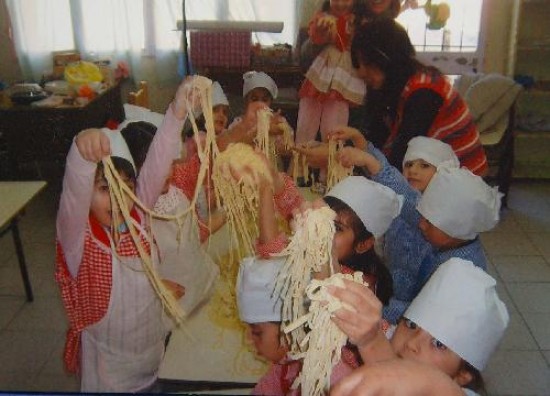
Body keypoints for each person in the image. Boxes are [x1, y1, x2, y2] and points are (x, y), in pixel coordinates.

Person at [55, 77, 201, 392]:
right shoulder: (78, 241)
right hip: (111, 378)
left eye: (126, 187)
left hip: (150, 359)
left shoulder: (137, 219)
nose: (119, 199)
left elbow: (156, 165)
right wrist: (81, 155)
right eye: (105, 189)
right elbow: (72, 195)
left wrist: (177, 112)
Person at [236, 160, 401, 394]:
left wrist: (266, 190)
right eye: (323, 221)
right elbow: (292, 207)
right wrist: (272, 182)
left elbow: (275, 252)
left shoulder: (355, 284)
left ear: (363, 244)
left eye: (337, 229)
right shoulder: (327, 255)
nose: (324, 231)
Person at [332, 127, 462, 323]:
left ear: (444, 172)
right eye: (409, 164)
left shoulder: (433, 213)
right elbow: (392, 183)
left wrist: (369, 161)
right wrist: (360, 141)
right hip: (394, 281)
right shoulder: (402, 196)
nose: (413, 170)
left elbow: (401, 192)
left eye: (424, 165)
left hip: (413, 300)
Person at [329, 257, 510, 396]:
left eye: (438, 344)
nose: (412, 343)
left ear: (461, 377)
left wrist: (434, 384)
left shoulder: (448, 390)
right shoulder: (388, 333)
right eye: (411, 324)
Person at [349, 18, 488, 176]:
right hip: (431, 173)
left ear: (389, 60)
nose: (360, 72)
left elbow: (401, 161)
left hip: (461, 185)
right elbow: (375, 138)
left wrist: (360, 158)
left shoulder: (424, 92)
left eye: (367, 63)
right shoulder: (392, 87)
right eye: (358, 64)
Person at [295, 0, 366, 153]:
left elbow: (345, 41)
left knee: (335, 119)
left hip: (343, 78)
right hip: (321, 74)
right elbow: (314, 39)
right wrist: (321, 31)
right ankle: (299, 159)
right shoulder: (322, 18)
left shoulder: (359, 21)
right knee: (307, 114)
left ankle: (331, 164)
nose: (340, 4)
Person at [183, 81, 231, 161]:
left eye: (225, 112)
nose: (221, 115)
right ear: (202, 116)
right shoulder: (198, 137)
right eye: (215, 110)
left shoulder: (225, 134)